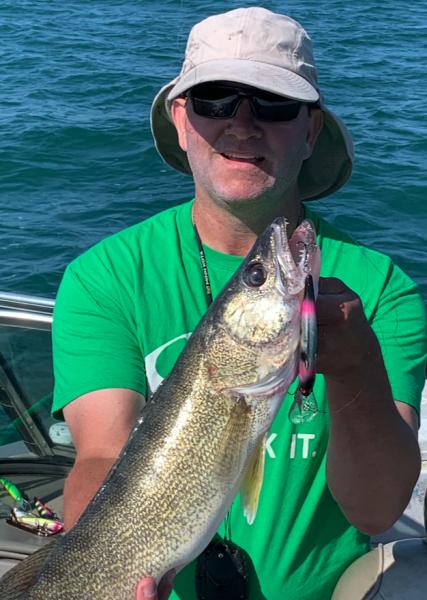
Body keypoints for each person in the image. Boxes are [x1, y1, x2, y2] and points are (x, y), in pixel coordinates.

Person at [51, 7, 426, 600]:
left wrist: (357, 368)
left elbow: (377, 512)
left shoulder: (381, 290)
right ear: (180, 119)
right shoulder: (103, 278)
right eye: (215, 101)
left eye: (273, 105)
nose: (242, 124)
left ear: (310, 130)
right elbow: (101, 455)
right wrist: (103, 572)